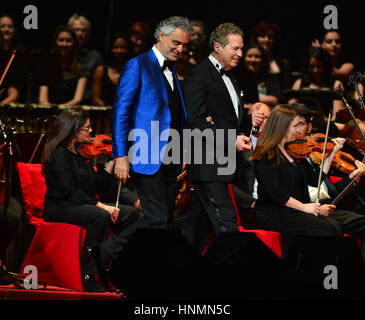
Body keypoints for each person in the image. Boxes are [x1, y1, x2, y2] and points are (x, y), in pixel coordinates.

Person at [93, 16, 192, 271]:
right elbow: (121, 111)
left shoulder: (173, 71)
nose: (180, 49)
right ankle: (103, 252)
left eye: (184, 45)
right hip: (145, 154)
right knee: (157, 220)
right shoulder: (138, 65)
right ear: (160, 36)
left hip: (170, 158)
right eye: (176, 42)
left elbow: (175, 115)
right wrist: (121, 155)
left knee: (166, 221)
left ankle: (138, 272)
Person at [183, 22, 264, 253]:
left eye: (241, 48)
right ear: (217, 46)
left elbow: (229, 122)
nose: (241, 54)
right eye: (235, 49)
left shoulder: (233, 77)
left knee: (197, 235)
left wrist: (251, 121)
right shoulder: (198, 76)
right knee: (228, 229)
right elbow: (196, 124)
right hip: (208, 165)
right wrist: (231, 139)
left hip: (224, 166)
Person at [41, 106, 141, 292]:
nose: (91, 131)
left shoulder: (82, 153)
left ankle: (119, 268)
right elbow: (68, 189)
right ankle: (89, 272)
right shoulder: (57, 153)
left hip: (81, 203)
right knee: (99, 216)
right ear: (73, 129)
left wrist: (110, 163)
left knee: (133, 215)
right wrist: (100, 205)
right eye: (86, 128)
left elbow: (98, 186)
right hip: (59, 205)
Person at [250, 104, 365, 259]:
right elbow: (274, 192)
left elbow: (314, 179)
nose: (302, 129)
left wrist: (331, 155)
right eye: (297, 125)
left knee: (354, 223)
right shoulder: (266, 154)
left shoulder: (296, 153)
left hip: (300, 211)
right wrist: (305, 207)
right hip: (275, 213)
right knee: (329, 228)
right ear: (281, 126)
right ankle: (321, 276)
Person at [288, 46, 344, 121]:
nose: (315, 70)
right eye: (312, 66)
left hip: (327, 127)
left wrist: (323, 119)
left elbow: (337, 118)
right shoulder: (299, 83)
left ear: (325, 65)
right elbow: (290, 112)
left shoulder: (336, 84)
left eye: (319, 66)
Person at [38, 25, 89, 106]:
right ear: (55, 42)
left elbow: (77, 99)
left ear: (74, 43)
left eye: (68, 41)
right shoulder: (47, 66)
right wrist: (52, 111)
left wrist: (60, 109)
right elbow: (42, 99)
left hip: (71, 113)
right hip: (49, 112)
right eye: (61, 40)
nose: (64, 44)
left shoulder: (81, 67)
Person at [67, 14, 103, 105]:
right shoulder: (64, 54)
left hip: (87, 103)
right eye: (76, 30)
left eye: (83, 30)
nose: (80, 33)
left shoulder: (95, 56)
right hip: (66, 99)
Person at [92, 32, 131, 106]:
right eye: (115, 47)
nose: (119, 51)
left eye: (123, 47)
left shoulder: (134, 71)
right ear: (111, 49)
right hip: (104, 114)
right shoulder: (100, 71)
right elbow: (95, 99)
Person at [251, 20, 292, 91]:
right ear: (256, 38)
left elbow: (286, 88)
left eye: (270, 37)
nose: (266, 39)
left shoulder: (282, 62)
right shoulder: (250, 59)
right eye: (263, 36)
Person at [243, 43, 284, 107]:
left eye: (257, 57)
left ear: (262, 59)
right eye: (250, 56)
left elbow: (275, 100)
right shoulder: (237, 78)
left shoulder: (270, 78)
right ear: (244, 58)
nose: (253, 60)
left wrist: (250, 100)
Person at [0, 15, 21, 104]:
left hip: (8, 104)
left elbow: (14, 92)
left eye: (10, 26)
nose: (6, 29)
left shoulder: (18, 55)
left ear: (14, 31)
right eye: (3, 26)